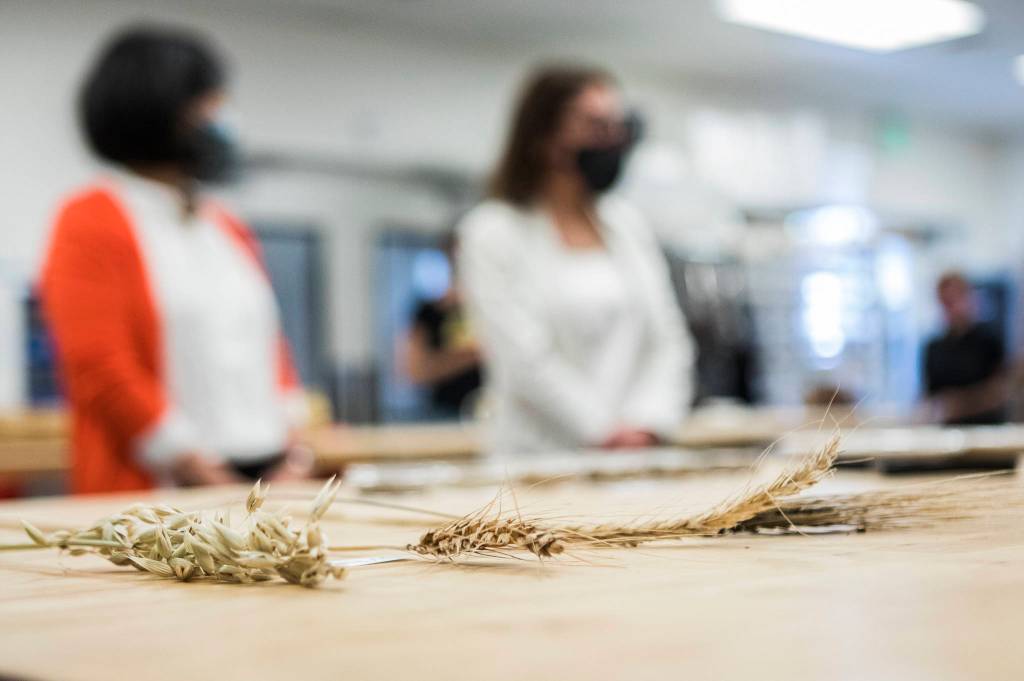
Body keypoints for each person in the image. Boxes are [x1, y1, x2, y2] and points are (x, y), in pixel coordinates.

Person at [40, 25, 312, 493]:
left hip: (268, 472)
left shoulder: (226, 225)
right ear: (157, 109)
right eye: (208, 102)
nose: (223, 117)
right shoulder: (92, 219)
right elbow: (101, 371)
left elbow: (269, 347)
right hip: (165, 486)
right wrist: (207, 475)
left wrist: (296, 451)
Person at [457, 64, 695, 455]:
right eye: (594, 124)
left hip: (636, 455)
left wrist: (646, 423)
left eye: (616, 125)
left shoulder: (626, 225)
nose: (612, 138)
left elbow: (668, 340)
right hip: (539, 462)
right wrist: (604, 431)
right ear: (544, 136)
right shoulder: (492, 232)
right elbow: (523, 358)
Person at [401, 233, 482, 418]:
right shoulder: (428, 311)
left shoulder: (494, 308)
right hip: (443, 413)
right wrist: (472, 355)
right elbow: (414, 372)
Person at [922, 272, 1008, 425]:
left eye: (954, 299)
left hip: (986, 430)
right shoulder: (933, 348)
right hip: (947, 433)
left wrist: (960, 405)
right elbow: (929, 397)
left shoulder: (990, 341)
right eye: (946, 302)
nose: (951, 307)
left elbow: (1001, 392)